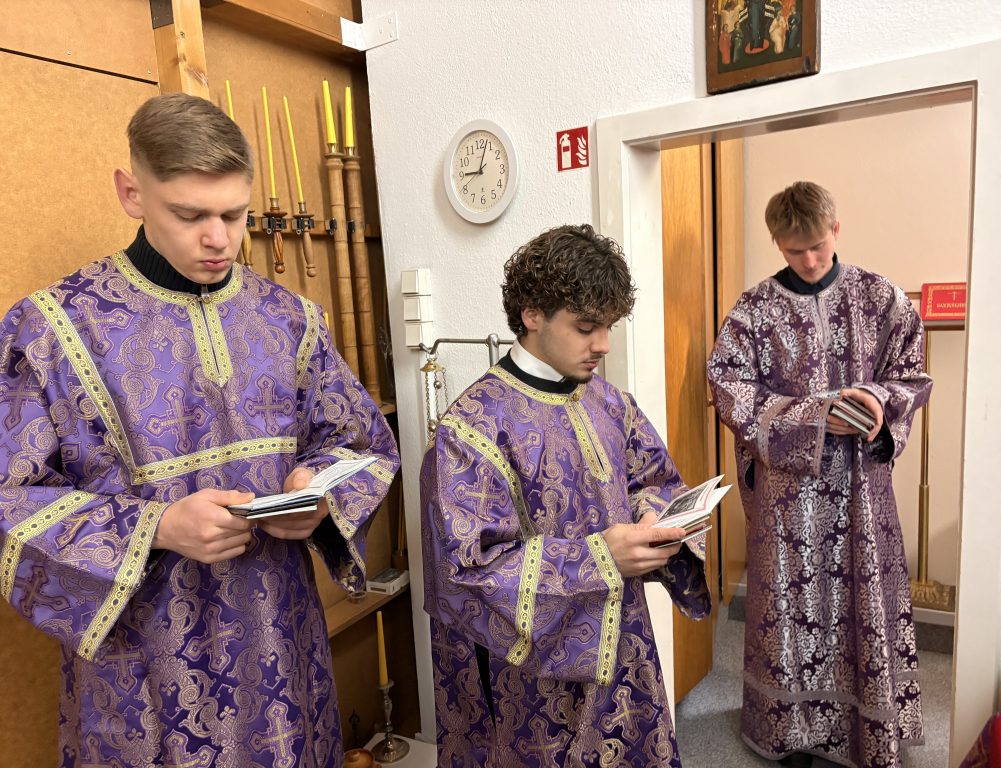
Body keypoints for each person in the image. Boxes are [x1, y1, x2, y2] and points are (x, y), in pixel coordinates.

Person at [0, 93, 399, 766]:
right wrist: (155, 527)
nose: (219, 239)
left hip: (283, 647)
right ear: (131, 192)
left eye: (234, 214)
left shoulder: (289, 319)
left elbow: (359, 443)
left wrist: (320, 495)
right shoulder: (50, 331)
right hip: (144, 667)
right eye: (190, 215)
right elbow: (11, 502)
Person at [420, 224, 711, 767]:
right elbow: (466, 572)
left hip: (622, 641)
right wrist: (599, 558)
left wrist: (657, 518)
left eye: (609, 326)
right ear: (532, 314)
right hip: (529, 680)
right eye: (585, 327)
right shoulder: (471, 429)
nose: (602, 345)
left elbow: (653, 481)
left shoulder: (610, 403)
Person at [707, 181, 931, 768]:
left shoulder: (881, 298)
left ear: (836, 229)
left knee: (861, 602)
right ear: (776, 244)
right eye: (793, 250)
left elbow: (911, 375)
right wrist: (812, 415)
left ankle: (865, 729)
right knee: (792, 608)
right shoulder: (754, 310)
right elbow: (727, 385)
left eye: (817, 246)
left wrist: (879, 401)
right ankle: (791, 733)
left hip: (861, 489)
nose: (808, 260)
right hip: (790, 495)